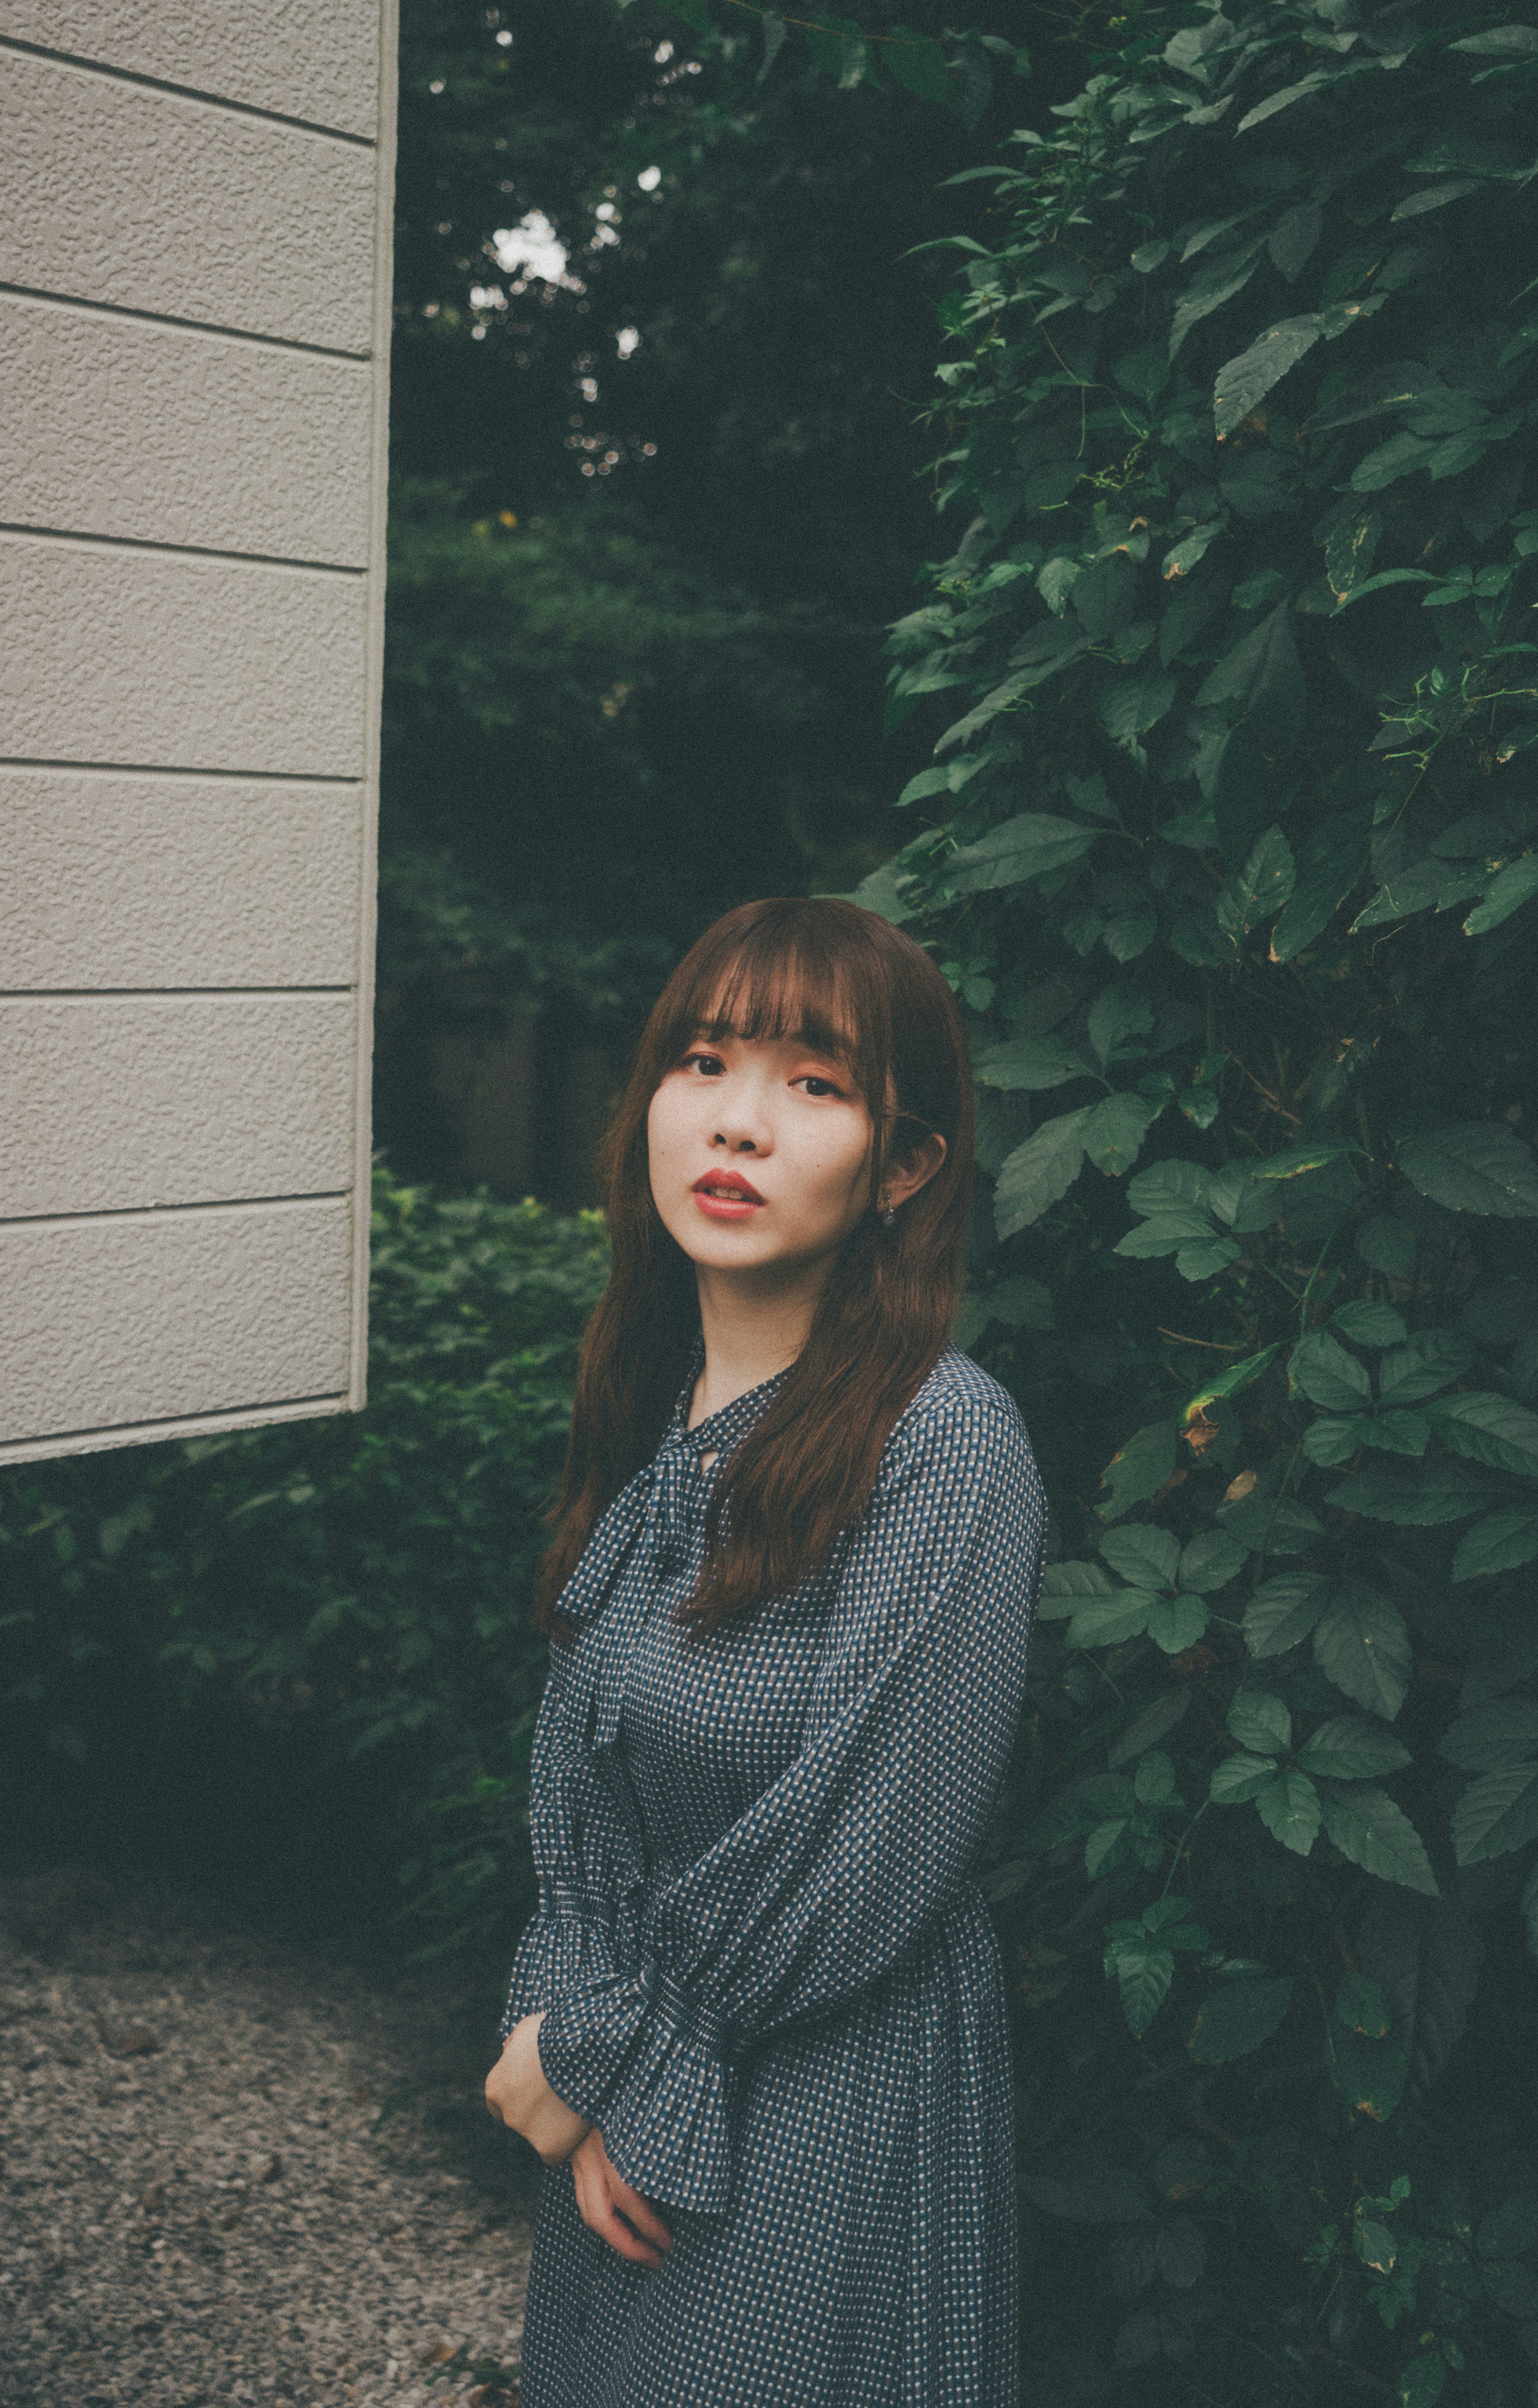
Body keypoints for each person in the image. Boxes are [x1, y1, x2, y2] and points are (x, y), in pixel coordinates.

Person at [482, 895, 1047, 2406]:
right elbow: (585, 1796)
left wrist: (607, 2055)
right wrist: (574, 2033)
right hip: (636, 2084)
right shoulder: (654, 1401)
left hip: (817, 2095)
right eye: (706, 1061)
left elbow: (859, 1845)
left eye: (815, 1085)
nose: (738, 1124)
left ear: (904, 1165)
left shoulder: (942, 1443)